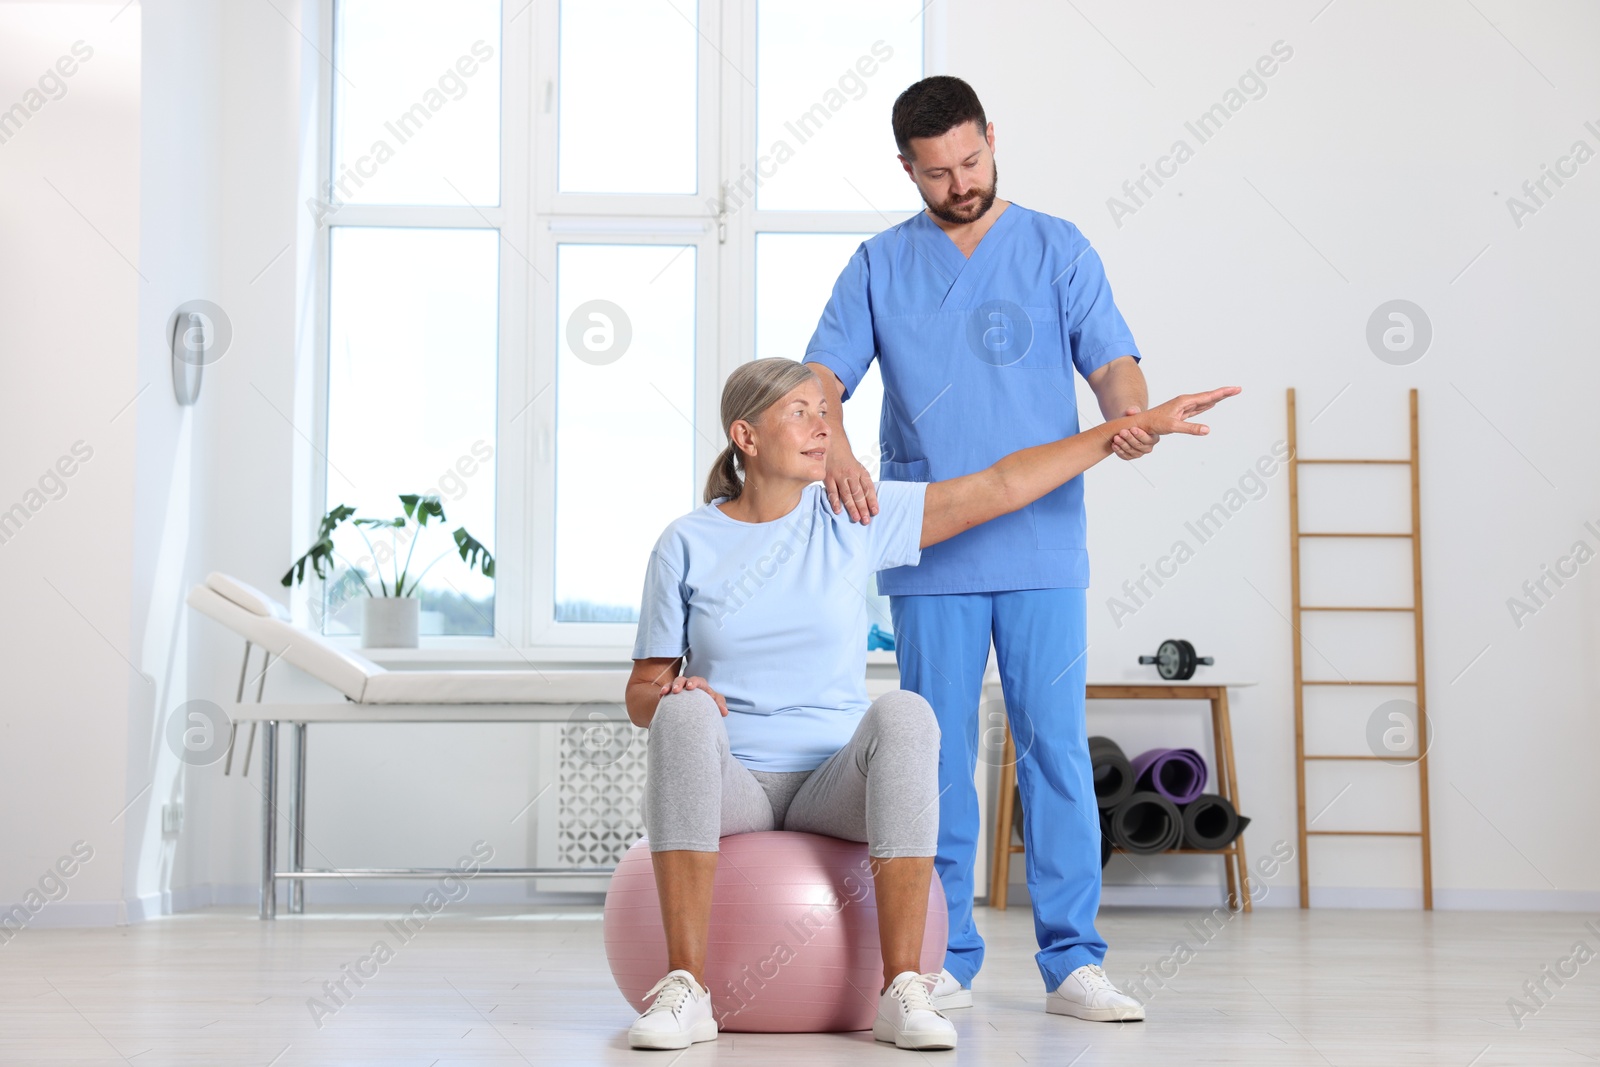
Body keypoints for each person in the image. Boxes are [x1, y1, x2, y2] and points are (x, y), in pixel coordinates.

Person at [624, 357, 1236, 1050]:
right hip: (733, 779)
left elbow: (1001, 485)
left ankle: (903, 989)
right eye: (799, 412)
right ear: (747, 436)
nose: (822, 427)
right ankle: (686, 988)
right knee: (680, 712)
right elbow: (642, 691)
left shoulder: (855, 514)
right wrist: (670, 692)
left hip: (832, 782)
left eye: (824, 412)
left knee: (909, 711)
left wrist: (1124, 427)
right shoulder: (686, 542)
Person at [803, 74, 1164, 1020]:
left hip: (1042, 542)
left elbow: (1112, 358)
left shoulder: (1057, 246)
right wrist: (835, 446)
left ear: (991, 139)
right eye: (936, 173)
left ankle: (1074, 958)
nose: (959, 183)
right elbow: (820, 381)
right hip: (930, 547)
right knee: (935, 757)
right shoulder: (878, 265)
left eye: (970, 162)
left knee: (1052, 750)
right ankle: (942, 952)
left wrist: (1127, 416)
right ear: (906, 169)